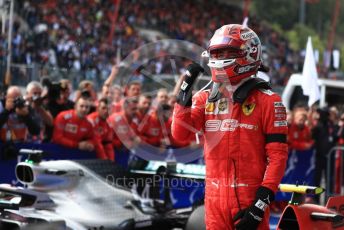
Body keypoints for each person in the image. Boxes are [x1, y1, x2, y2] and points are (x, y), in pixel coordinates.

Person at [172, 24, 288, 229]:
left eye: (229, 52)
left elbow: (277, 157)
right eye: (217, 53)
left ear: (249, 54)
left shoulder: (269, 101)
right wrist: (182, 99)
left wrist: (260, 203)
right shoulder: (204, 98)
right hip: (214, 199)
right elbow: (180, 135)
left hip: (250, 199)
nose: (221, 58)